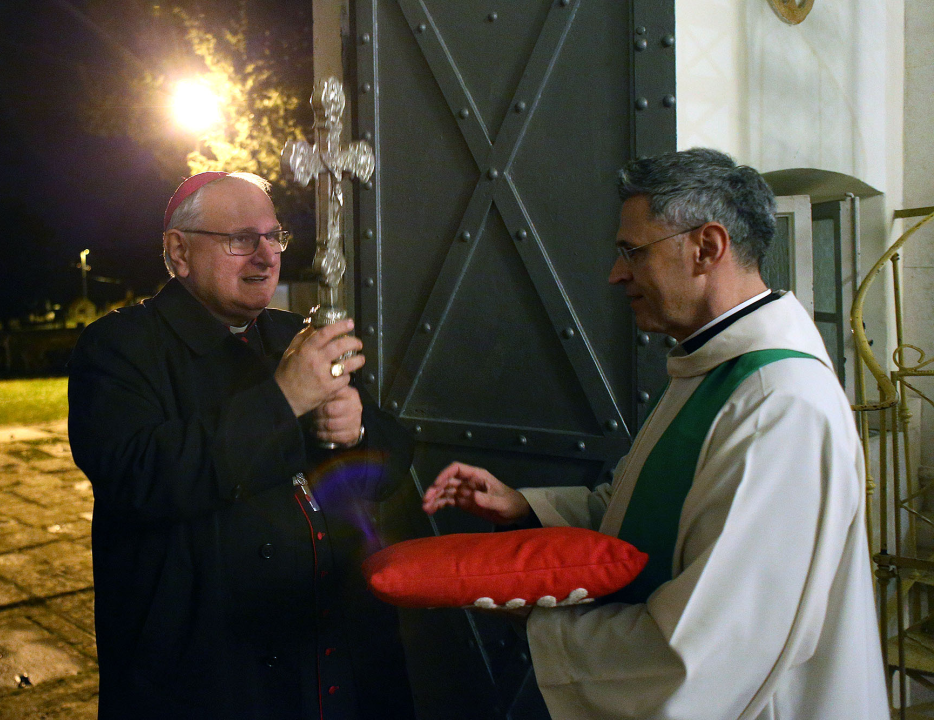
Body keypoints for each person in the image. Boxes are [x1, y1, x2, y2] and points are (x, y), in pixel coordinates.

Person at [422, 149, 889, 719]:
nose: (617, 274)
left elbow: (707, 650)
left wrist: (541, 620)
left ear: (706, 248)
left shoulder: (779, 406)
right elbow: (644, 520)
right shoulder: (713, 368)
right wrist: (525, 509)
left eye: (632, 252)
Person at [68, 171, 416, 719]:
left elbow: (394, 460)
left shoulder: (288, 333)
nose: (266, 256)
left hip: (331, 654)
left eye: (274, 236)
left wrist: (357, 429)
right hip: (215, 674)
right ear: (179, 252)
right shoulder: (118, 347)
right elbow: (141, 478)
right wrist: (284, 398)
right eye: (240, 240)